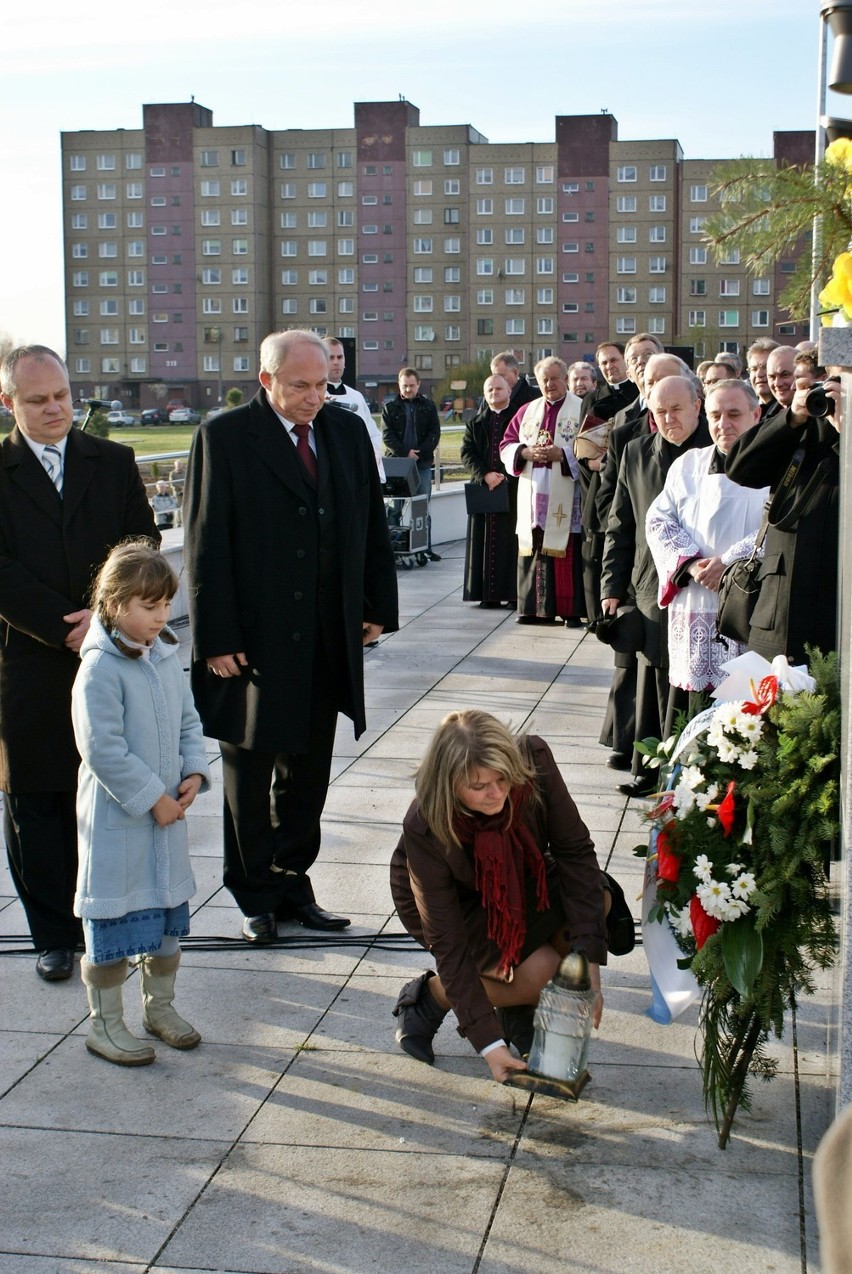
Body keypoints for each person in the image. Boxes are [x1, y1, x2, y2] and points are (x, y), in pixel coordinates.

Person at [184, 329, 398, 944]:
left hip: (328, 636)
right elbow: (204, 544)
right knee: (248, 774)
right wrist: (215, 638)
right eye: (299, 386)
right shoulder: (222, 438)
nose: (313, 397)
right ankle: (254, 894)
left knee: (307, 772)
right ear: (266, 380)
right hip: (253, 642)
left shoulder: (346, 431)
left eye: (322, 384)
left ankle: (292, 882)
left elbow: (368, 525)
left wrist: (376, 606)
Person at [0, 345, 158, 982]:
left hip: (112, 654)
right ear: (9, 404)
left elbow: (141, 543)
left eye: (61, 395)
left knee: (111, 793)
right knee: (37, 800)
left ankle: (110, 923)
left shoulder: (114, 463)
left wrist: (105, 613)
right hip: (27, 663)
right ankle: (53, 936)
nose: (54, 408)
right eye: (37, 400)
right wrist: (63, 626)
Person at [389, 710, 610, 1080]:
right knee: (542, 974)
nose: (496, 794)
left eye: (503, 779)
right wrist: (489, 1045)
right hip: (460, 904)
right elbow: (449, 942)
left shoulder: (533, 761)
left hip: (523, 876)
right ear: (448, 782)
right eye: (478, 786)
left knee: (597, 899)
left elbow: (576, 854)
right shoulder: (426, 825)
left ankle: (518, 1006)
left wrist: (589, 967)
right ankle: (433, 995)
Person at [71, 542, 211, 1066]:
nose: (159, 618)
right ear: (113, 604)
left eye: (164, 606)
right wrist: (153, 797)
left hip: (165, 817)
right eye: (146, 607)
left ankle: (160, 1008)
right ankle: (104, 1023)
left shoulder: (165, 655)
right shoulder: (99, 670)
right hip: (119, 819)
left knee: (162, 920)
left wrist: (194, 770)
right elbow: (102, 748)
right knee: (111, 923)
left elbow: (187, 721)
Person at [600, 375, 711, 796]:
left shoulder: (713, 451)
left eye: (676, 409)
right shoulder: (635, 452)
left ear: (696, 405)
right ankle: (648, 768)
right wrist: (612, 586)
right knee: (652, 678)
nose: (667, 419)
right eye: (659, 411)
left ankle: (691, 773)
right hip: (649, 583)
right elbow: (620, 523)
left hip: (702, 586)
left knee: (691, 679)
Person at [646, 380, 768, 710]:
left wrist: (728, 561)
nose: (723, 424)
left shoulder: (776, 465)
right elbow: (658, 520)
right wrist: (690, 563)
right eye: (715, 415)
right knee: (692, 711)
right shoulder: (687, 464)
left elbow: (780, 528)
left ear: (756, 414)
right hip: (694, 603)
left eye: (734, 414)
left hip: (747, 604)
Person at [725, 373, 840, 663]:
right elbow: (740, 468)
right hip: (781, 609)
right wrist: (792, 417)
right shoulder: (802, 427)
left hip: (838, 607)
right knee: (770, 704)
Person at [499, 356, 584, 625]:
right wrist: (524, 451)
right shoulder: (527, 410)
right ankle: (533, 609)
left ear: (566, 379)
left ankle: (569, 611)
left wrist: (564, 454)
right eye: (544, 379)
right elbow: (506, 444)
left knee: (565, 550)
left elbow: (595, 446)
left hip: (566, 490)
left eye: (555, 378)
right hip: (533, 492)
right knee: (534, 549)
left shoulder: (581, 409)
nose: (550, 384)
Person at [460, 374, 517, 609]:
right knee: (483, 543)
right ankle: (488, 594)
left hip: (511, 489)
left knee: (510, 543)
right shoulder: (475, 422)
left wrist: (502, 473)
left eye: (499, 388)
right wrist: (485, 474)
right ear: (485, 395)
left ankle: (513, 594)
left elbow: (520, 447)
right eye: (490, 390)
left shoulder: (518, 418)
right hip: (484, 489)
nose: (494, 393)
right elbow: (467, 452)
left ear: (509, 391)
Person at [382, 367, 442, 563]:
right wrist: (405, 453)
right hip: (396, 465)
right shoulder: (389, 407)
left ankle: (425, 548)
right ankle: (392, 549)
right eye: (404, 386)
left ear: (418, 385)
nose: (408, 389)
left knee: (422, 508)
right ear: (399, 385)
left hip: (421, 464)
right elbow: (387, 436)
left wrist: (419, 453)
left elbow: (434, 433)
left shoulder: (429, 406)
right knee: (394, 508)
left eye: (411, 385)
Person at [322, 337, 385, 481]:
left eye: (340, 357)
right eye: (330, 357)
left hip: (358, 471)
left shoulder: (356, 397)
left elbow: (372, 434)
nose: (336, 362)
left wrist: (372, 457)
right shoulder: (314, 397)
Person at [490, 351, 540, 416]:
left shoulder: (535, 397)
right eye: (495, 376)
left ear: (515, 373)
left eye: (501, 376)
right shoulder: (490, 397)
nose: (497, 380)